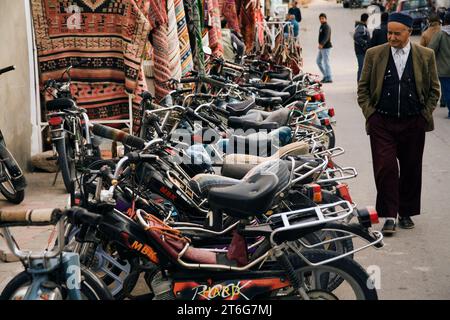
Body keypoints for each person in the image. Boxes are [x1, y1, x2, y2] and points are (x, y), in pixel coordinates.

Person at [357, 12, 440, 235]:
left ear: (408, 32)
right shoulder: (374, 54)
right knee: (386, 168)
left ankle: (406, 212)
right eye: (389, 33)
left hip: (413, 122)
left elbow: (434, 89)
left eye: (397, 33)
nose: (392, 37)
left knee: (411, 168)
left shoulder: (425, 55)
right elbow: (363, 89)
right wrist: (371, 116)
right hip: (381, 122)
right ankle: (389, 215)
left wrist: (424, 115)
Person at [428, 12, 450, 117]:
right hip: (444, 69)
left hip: (444, 69)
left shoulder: (440, 34)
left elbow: (430, 50)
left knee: (447, 91)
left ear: (444, 22)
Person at [354, 13, 371, 81]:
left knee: (362, 67)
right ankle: (360, 84)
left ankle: (360, 84)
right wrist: (365, 43)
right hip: (361, 51)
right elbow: (356, 37)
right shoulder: (361, 27)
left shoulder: (361, 26)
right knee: (362, 68)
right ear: (366, 19)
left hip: (360, 50)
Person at [317, 13, 333, 83]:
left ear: (326, 19)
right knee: (318, 61)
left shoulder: (326, 26)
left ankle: (329, 78)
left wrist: (322, 44)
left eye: (323, 18)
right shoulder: (322, 26)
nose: (321, 20)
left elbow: (326, 36)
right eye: (320, 18)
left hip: (326, 47)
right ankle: (326, 75)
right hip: (322, 47)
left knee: (326, 62)